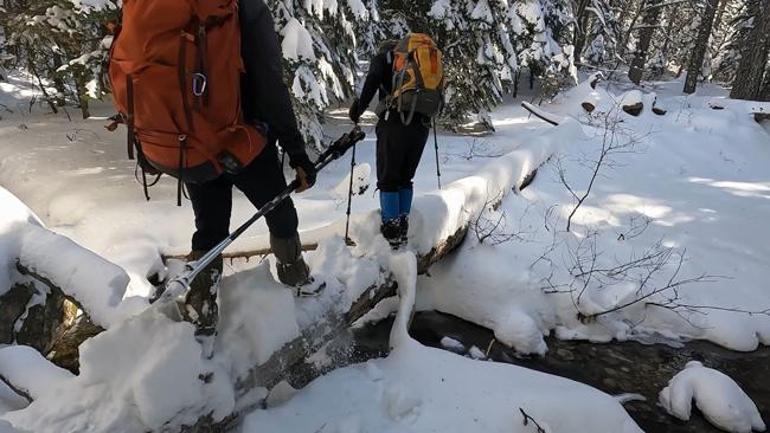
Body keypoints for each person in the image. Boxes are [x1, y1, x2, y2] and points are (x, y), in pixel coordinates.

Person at [182, 0, 318, 336]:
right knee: (280, 211)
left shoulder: (172, 9)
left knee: (209, 229)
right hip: (243, 143)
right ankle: (296, 278)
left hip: (191, 143)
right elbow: (270, 86)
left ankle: (200, 312)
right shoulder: (244, 8)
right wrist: (297, 153)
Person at [348, 39, 433, 249]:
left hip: (394, 123)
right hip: (421, 124)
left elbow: (372, 81)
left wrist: (358, 109)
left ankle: (392, 231)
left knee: (388, 179)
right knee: (405, 178)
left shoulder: (382, 58)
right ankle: (403, 225)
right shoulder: (420, 64)